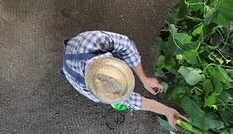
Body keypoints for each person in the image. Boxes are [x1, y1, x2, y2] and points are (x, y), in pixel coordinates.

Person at [60, 31, 188, 130]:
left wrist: (144, 79)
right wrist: (166, 111)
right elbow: (133, 101)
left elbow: (126, 45)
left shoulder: (96, 40)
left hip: (79, 46)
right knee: (118, 100)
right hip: (71, 69)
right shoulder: (94, 93)